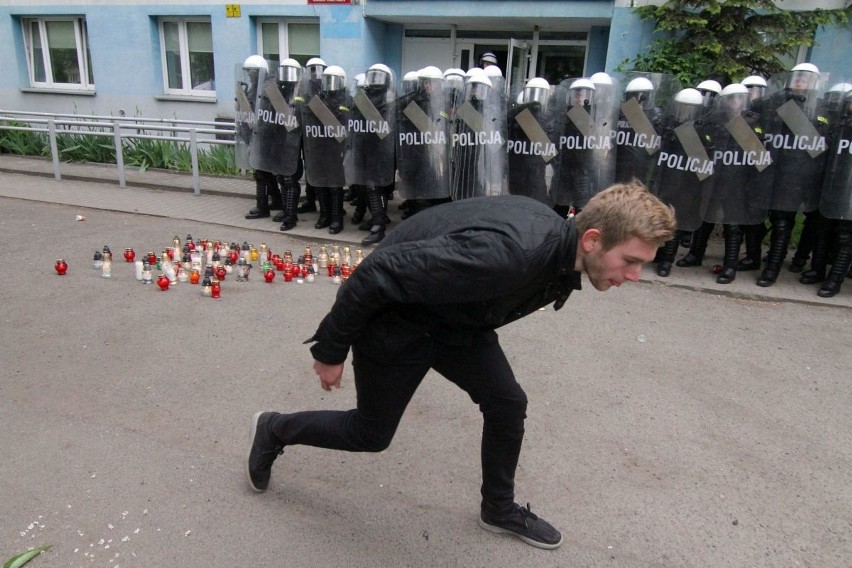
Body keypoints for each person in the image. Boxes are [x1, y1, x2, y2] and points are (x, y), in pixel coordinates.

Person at [245, 181, 676, 550]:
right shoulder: (511, 254)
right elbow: (379, 272)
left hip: (458, 321)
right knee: (370, 435)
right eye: (631, 261)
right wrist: (331, 349)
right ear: (592, 238)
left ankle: (498, 509)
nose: (634, 276)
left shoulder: (557, 244)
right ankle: (274, 428)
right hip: (398, 323)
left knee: (507, 404)